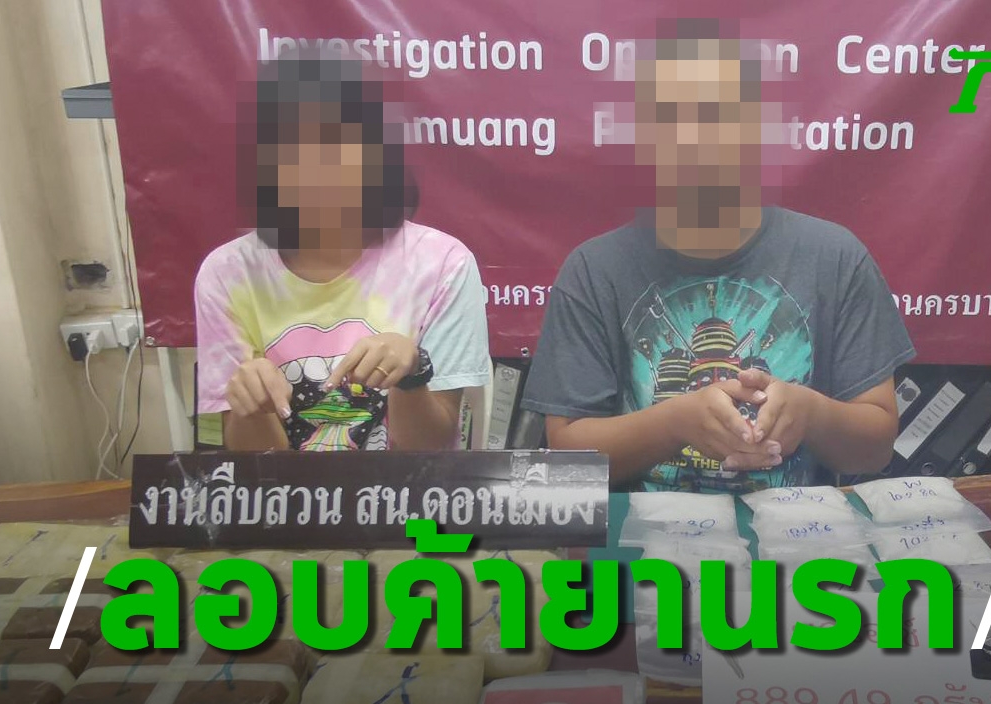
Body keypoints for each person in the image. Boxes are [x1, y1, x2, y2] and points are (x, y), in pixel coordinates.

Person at [521, 20, 915, 492]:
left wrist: (810, 413)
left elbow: (875, 447)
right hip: (642, 533)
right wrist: (674, 422)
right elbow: (567, 457)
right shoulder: (593, 271)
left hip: (798, 531)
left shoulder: (836, 259)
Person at [195, 52, 490, 452]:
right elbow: (256, 468)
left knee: (422, 502)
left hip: (410, 492)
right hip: (285, 492)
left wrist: (411, 374)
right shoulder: (227, 274)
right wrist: (253, 408)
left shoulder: (442, 265)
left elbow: (433, 452)